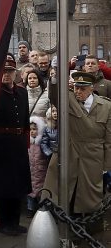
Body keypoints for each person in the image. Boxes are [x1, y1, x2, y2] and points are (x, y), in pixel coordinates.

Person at [44, 71, 111, 214]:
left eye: (82, 88)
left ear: (91, 88)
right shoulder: (68, 99)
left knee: (90, 195)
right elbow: (54, 94)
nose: (78, 91)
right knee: (66, 190)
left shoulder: (106, 105)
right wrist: (55, 77)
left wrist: (107, 165)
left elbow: (109, 139)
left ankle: (88, 226)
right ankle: (63, 223)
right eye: (76, 87)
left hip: (93, 154)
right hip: (70, 150)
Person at [0, 55, 31, 236]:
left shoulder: (22, 92)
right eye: (3, 72)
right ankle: (3, 223)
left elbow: (25, 117)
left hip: (18, 143)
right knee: (2, 185)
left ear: (15, 73)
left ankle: (15, 221)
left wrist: (25, 140)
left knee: (17, 184)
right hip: (1, 144)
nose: (6, 75)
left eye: (9, 71)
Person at [27, 116, 48, 218]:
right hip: (30, 171)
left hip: (41, 172)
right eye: (30, 129)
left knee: (41, 191)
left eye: (34, 129)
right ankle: (30, 209)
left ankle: (42, 208)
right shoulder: (28, 144)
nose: (32, 132)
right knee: (30, 192)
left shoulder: (42, 143)